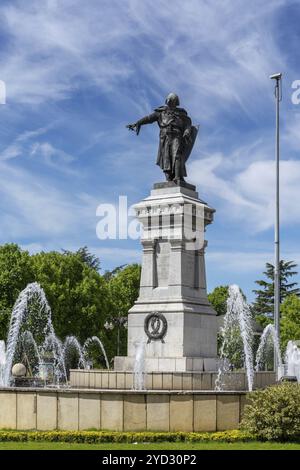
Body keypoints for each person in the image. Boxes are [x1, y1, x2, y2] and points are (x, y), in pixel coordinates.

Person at [127, 93, 197, 184]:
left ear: (176, 102)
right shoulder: (161, 112)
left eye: (173, 101)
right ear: (167, 101)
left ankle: (178, 177)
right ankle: (169, 178)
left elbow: (188, 123)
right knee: (166, 158)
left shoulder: (181, 113)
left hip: (176, 135)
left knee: (177, 155)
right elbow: (148, 118)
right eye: (170, 101)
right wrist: (137, 123)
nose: (171, 103)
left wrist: (187, 131)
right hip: (165, 137)